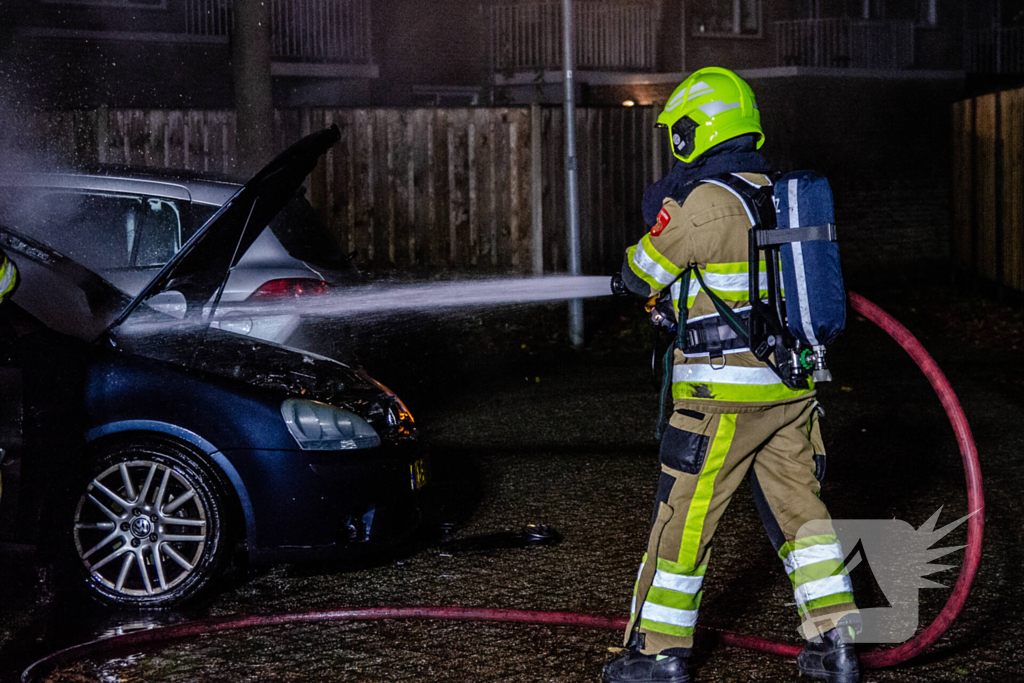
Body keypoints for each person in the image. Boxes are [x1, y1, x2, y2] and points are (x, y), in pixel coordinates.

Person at [604, 67, 860, 683]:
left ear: (695, 132)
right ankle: (838, 643)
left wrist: (632, 273)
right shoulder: (776, 190)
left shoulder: (704, 203)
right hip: (790, 391)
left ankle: (658, 653)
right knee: (806, 517)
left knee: (682, 524)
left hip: (721, 399)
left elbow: (639, 274)